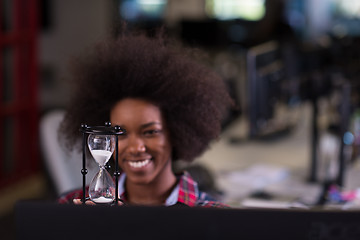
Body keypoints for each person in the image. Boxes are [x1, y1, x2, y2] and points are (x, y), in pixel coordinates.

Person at [57, 29, 234, 207]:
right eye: (120, 133)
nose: (135, 148)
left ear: (176, 132)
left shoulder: (214, 216)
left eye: (150, 132)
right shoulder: (72, 206)